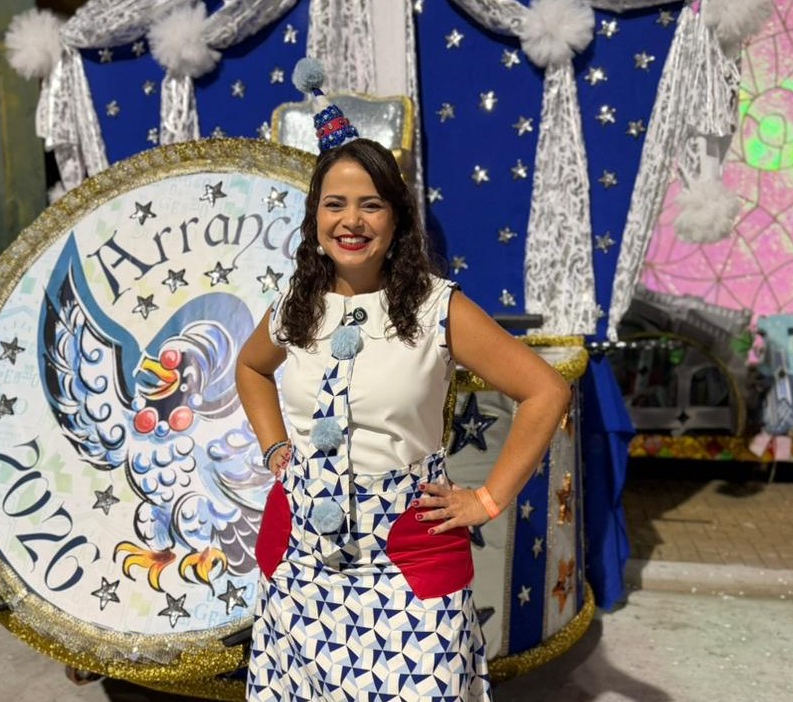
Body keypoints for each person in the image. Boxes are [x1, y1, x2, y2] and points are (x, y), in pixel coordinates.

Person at [235, 136, 571, 700]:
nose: (351, 220)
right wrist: (274, 448)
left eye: (371, 204)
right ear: (315, 214)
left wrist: (486, 500)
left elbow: (545, 391)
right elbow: (250, 367)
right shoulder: (296, 300)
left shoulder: (437, 307)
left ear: (397, 219)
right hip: (301, 572)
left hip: (405, 567)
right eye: (334, 203)